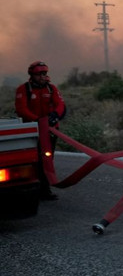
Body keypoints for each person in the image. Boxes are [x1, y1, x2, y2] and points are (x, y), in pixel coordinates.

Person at [14, 61, 66, 200]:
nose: (43, 76)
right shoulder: (23, 89)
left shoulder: (51, 88)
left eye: (45, 73)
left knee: (47, 159)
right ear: (32, 75)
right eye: (40, 74)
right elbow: (21, 109)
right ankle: (32, 189)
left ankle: (44, 189)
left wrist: (54, 116)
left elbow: (60, 105)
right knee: (34, 160)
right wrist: (38, 120)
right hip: (31, 132)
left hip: (49, 131)